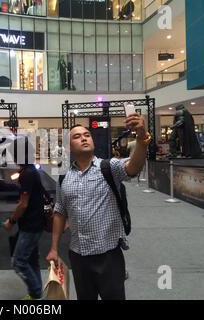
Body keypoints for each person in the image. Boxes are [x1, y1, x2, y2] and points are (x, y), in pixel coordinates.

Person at [46, 112, 150, 300]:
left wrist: (142, 138)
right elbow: (60, 211)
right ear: (69, 147)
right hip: (78, 256)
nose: (84, 138)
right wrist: (54, 248)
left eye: (87, 135)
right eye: (77, 137)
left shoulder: (109, 167)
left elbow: (133, 168)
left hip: (108, 256)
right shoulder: (64, 177)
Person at [3, 138, 45, 300]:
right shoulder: (31, 171)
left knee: (19, 262)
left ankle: (35, 294)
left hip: (31, 225)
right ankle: (37, 292)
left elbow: (23, 205)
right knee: (31, 259)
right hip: (35, 223)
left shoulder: (26, 174)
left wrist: (11, 221)